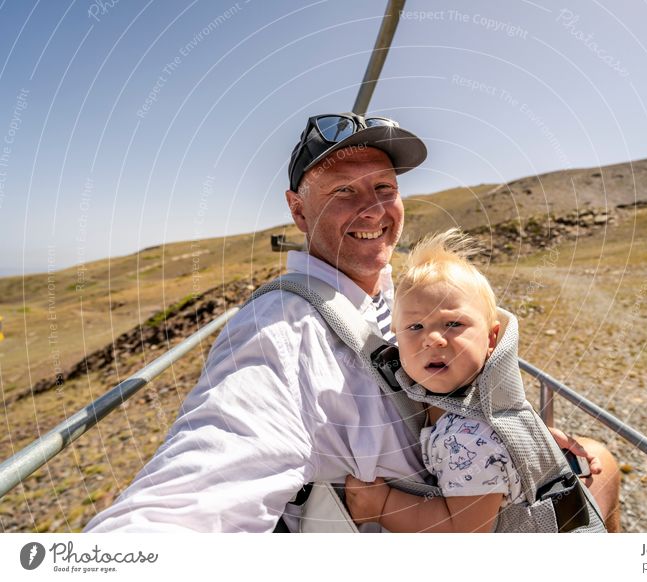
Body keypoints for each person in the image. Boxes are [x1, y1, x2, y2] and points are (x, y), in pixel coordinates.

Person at [84, 112, 619, 532]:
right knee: (604, 480)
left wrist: (517, 443)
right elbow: (195, 493)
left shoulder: (395, 293)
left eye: (384, 188)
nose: (373, 210)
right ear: (297, 212)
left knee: (598, 459)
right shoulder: (277, 333)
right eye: (344, 191)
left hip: (458, 487)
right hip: (419, 530)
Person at [344, 229, 602, 532]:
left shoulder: (466, 439)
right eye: (415, 326)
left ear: (491, 338)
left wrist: (383, 506)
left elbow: (464, 531)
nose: (433, 339)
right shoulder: (487, 401)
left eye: (453, 323)